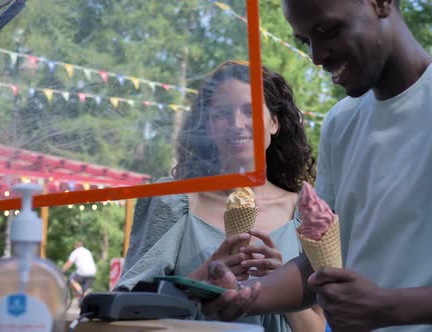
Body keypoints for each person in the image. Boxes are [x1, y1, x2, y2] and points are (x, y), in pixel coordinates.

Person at [201, 1, 432, 331]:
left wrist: (389, 307)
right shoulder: (340, 123)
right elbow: (319, 266)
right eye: (304, 41)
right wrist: (248, 295)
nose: (316, 56)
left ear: (380, 3)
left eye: (328, 31)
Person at [117, 60, 326, 332]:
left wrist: (278, 281)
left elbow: (317, 328)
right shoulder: (173, 201)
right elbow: (128, 306)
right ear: (208, 125)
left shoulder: (304, 212)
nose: (236, 124)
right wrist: (202, 278)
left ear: (274, 122)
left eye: (249, 111)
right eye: (222, 114)